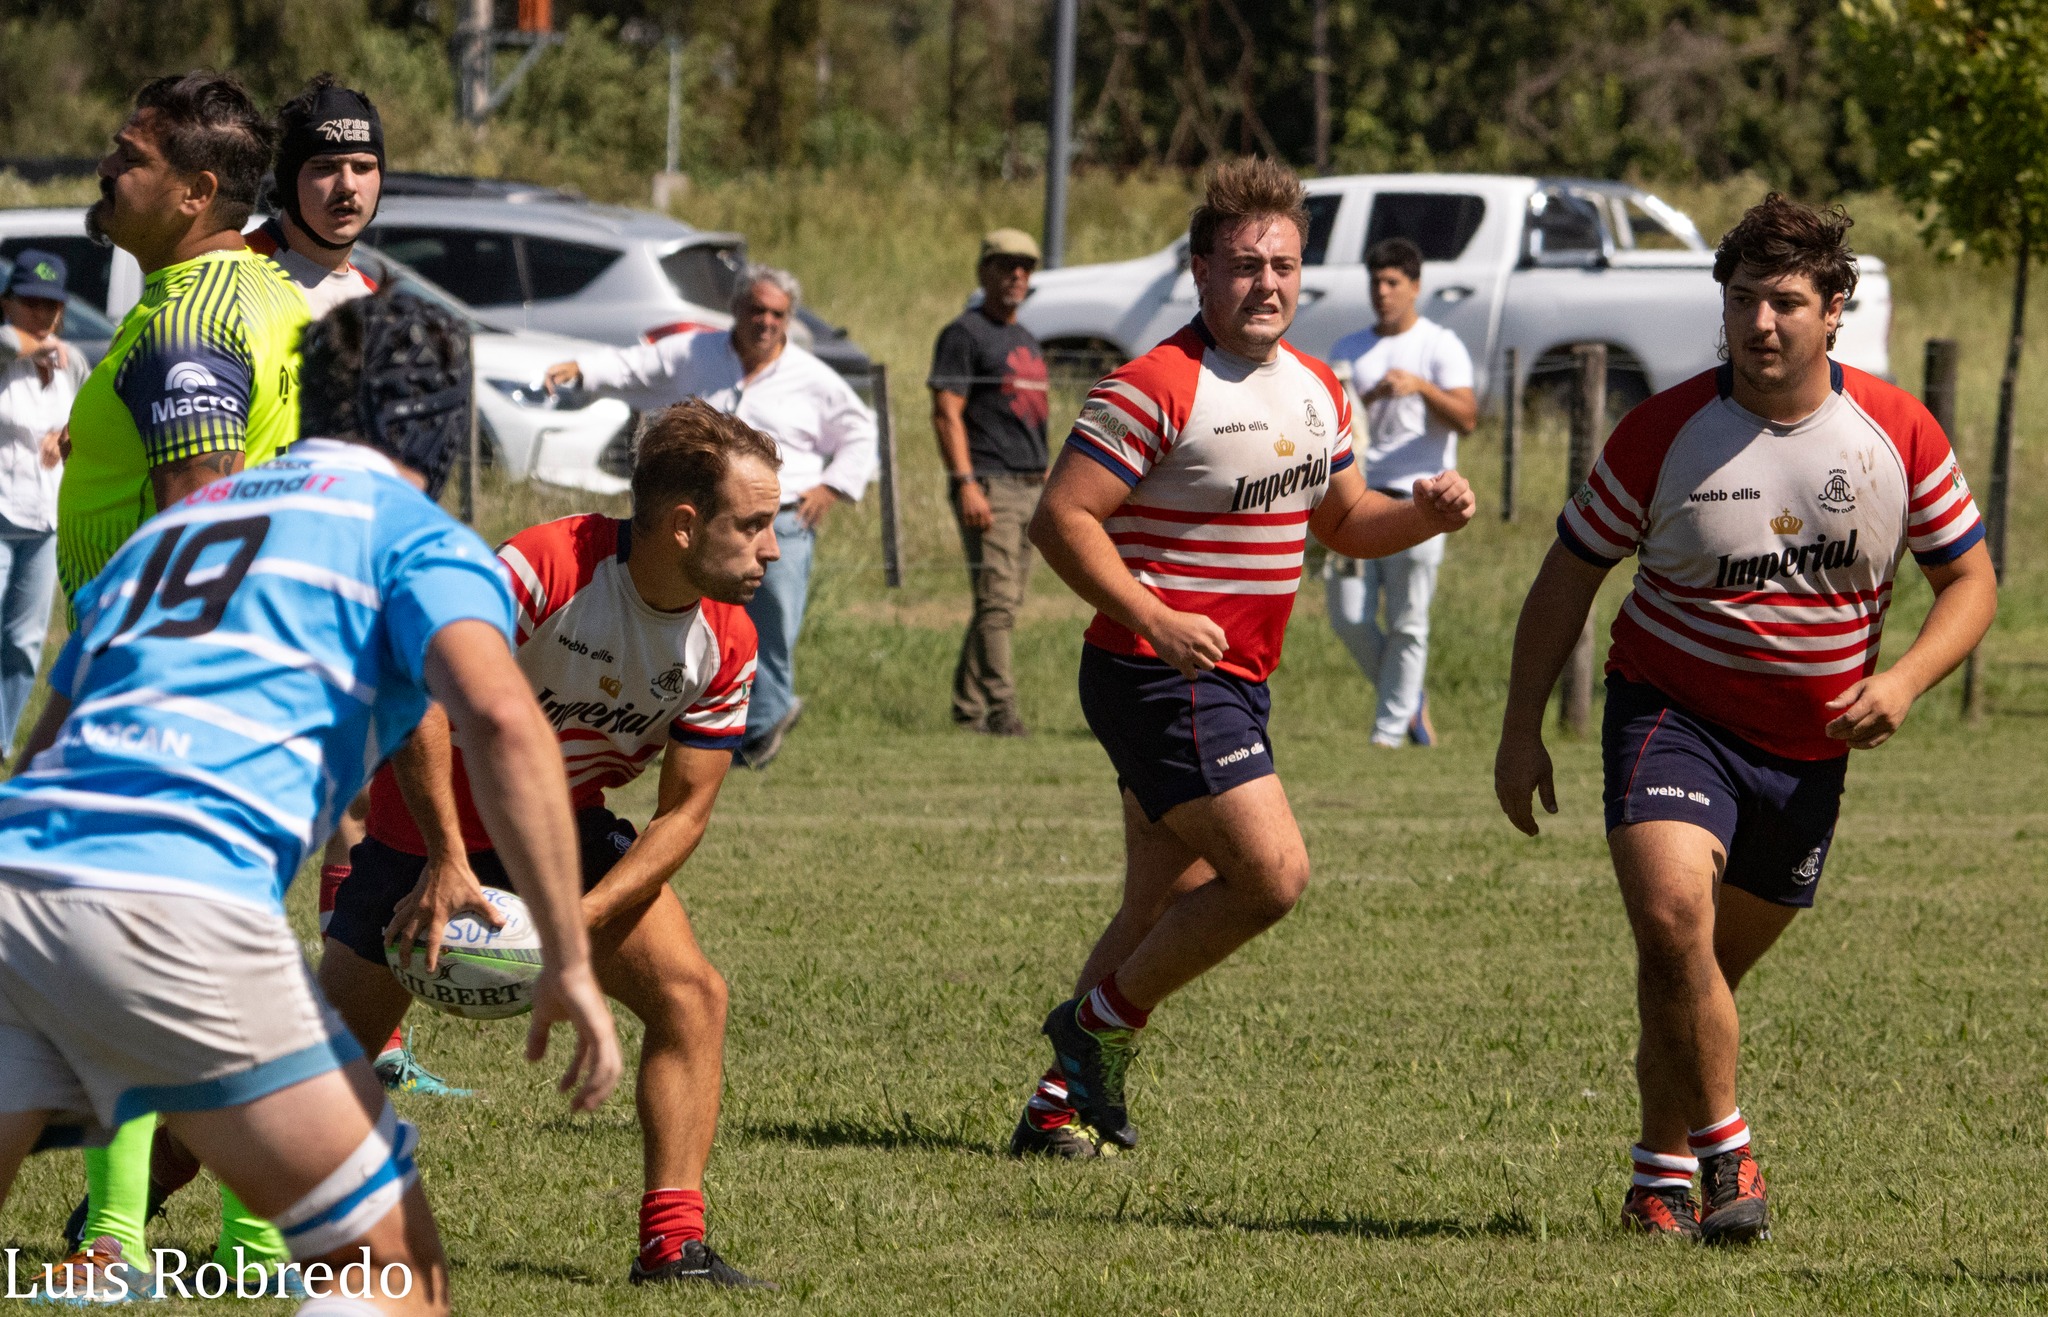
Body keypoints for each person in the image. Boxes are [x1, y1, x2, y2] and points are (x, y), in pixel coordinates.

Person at [0, 289, 623, 1312]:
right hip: (179, 899)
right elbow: (505, 724)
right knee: (392, 1272)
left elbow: (45, 749)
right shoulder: (411, 534)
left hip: (18, 877)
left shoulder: (174, 527)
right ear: (440, 423)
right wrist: (566, 952)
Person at [1494, 194, 1997, 1243]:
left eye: (1781, 302)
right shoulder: (1663, 431)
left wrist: (1900, 682)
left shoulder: (1893, 432)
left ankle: (1655, 1175)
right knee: (1673, 923)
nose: (1758, 324)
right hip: (1669, 715)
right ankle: (1728, 1159)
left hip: (1804, 755)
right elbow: (1562, 581)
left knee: (1693, 976)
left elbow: (1970, 585)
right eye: (1739, 303)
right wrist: (1517, 727)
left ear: (1832, 311)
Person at [1008, 158, 1476, 1158]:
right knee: (1269, 875)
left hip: (1230, 678)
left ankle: (1056, 1106)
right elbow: (1060, 521)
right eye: (1243, 264)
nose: (1265, 283)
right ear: (1198, 270)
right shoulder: (1153, 388)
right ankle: (1092, 1031)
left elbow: (1346, 524)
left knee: (1159, 903)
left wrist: (1421, 514)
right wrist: (1155, 616)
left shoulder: (1316, 387)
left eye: (1283, 265)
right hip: (1156, 672)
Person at [318, 399, 780, 1289]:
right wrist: (447, 860)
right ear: (685, 525)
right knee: (314, 1062)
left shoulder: (727, 638)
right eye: (754, 524)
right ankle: (131, 1206)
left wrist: (581, 920)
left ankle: (671, 1245)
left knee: (692, 996)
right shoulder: (544, 567)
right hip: (427, 831)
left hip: (561, 827)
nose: (771, 547)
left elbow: (683, 812)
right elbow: (424, 695)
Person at [52, 68, 313, 1282]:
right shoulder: (255, 288)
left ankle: (114, 1241)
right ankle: (255, 1240)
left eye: (128, 156)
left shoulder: (188, 320)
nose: (106, 171)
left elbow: (198, 511)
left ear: (198, 189)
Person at [543, 264, 877, 769]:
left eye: (777, 313)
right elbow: (638, 367)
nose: (765, 321)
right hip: (703, 523)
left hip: (780, 519)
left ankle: (762, 728)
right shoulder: (696, 351)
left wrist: (832, 486)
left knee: (773, 627)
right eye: (756, 309)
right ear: (735, 310)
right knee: (693, 622)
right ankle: (687, 723)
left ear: (789, 319)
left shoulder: (814, 379)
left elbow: (860, 431)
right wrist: (583, 370)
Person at [1326, 236, 1476, 747]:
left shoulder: (1439, 344)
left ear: (1415, 287)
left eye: (1392, 282)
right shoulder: (1348, 348)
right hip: (1355, 495)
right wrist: (1372, 393)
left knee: (1410, 620)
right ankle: (1410, 700)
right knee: (1347, 615)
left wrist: (1422, 387)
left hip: (1423, 498)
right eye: (1375, 282)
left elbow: (1468, 418)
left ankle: (1388, 735)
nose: (1382, 292)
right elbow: (1335, 419)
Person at [929, 228, 1050, 737]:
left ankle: (968, 709)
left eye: (1024, 267)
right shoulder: (965, 333)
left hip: (1030, 483)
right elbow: (946, 413)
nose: (1016, 275)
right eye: (1005, 265)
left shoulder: (1024, 338)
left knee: (998, 602)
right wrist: (966, 483)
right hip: (990, 483)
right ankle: (1003, 712)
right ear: (984, 272)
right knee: (998, 602)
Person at [0, 251, 83, 753]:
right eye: (31, 302)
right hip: (0, 510)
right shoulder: (10, 352)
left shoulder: (73, 362)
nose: (43, 314)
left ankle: (3, 744)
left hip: (44, 518)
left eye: (52, 305)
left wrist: (66, 435)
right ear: (7, 303)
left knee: (24, 643)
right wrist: (37, 346)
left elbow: (91, 418)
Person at [247, 74, 383, 319]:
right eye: (325, 167)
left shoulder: (373, 302)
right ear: (288, 179)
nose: (347, 185)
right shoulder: (233, 275)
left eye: (363, 167)